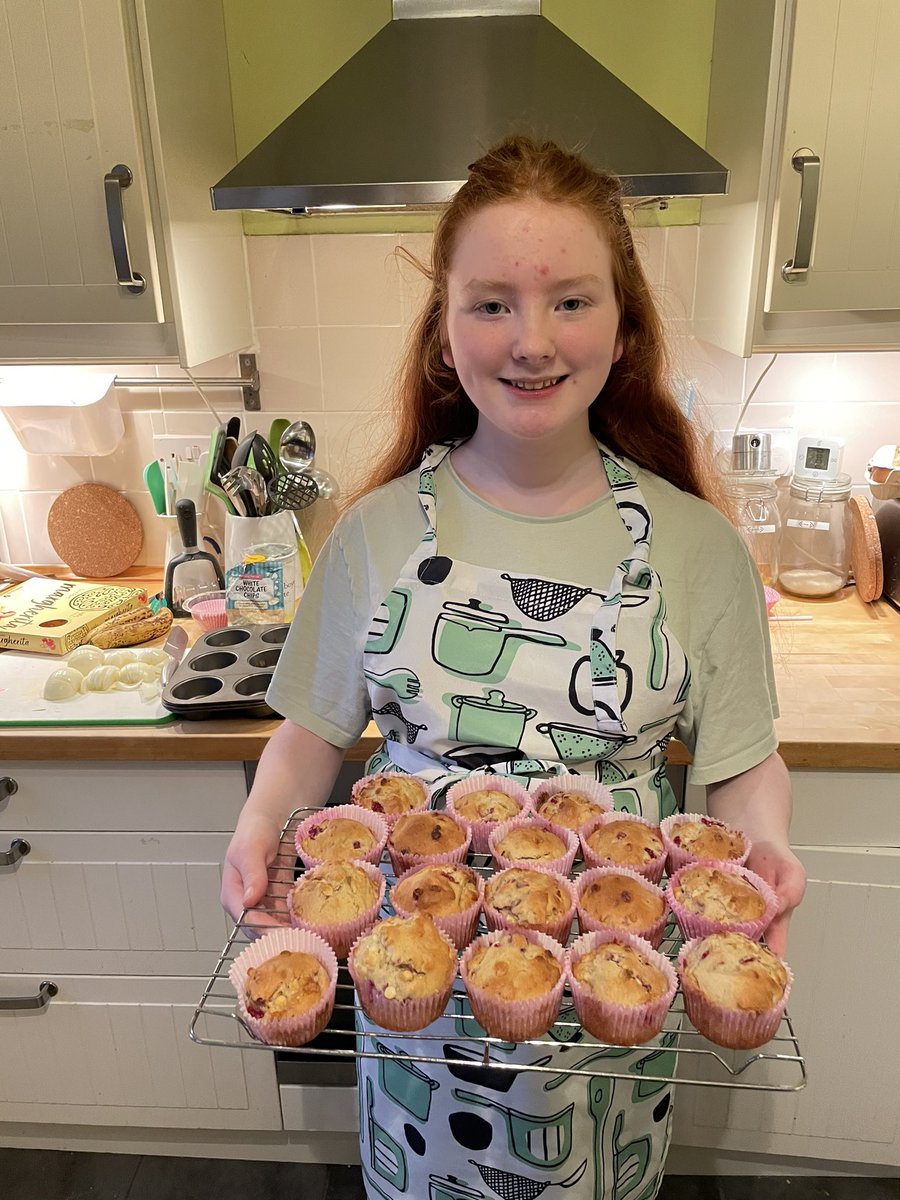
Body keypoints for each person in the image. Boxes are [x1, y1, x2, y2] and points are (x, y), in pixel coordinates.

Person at [221, 135, 807, 1200]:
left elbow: (740, 762)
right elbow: (311, 736)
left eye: (571, 302)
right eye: (491, 303)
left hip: (615, 989)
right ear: (444, 334)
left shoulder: (695, 545)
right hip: (418, 985)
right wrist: (263, 827)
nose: (531, 340)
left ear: (624, 328)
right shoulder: (376, 532)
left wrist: (762, 849)